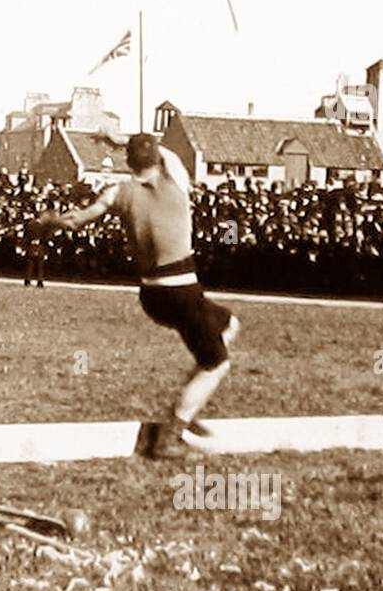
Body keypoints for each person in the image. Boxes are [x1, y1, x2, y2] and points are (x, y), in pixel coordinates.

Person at [39, 134, 239, 459]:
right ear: (158, 158)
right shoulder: (176, 181)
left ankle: (188, 404)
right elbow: (169, 153)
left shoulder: (118, 192)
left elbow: (78, 218)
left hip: (151, 296)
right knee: (216, 364)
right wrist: (121, 140)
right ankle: (170, 436)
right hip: (182, 290)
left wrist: (50, 222)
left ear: (128, 163)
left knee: (228, 325)